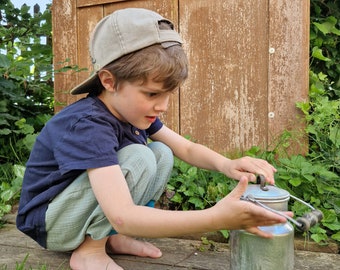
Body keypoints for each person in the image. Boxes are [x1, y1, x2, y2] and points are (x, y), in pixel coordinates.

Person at [17, 8, 290, 270]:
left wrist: (227, 164)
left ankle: (111, 236)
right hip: (51, 221)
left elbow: (186, 147)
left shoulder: (131, 113)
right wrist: (213, 218)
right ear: (109, 81)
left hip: (79, 212)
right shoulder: (89, 124)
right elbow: (121, 212)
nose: (163, 106)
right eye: (152, 94)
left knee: (162, 152)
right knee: (140, 156)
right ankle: (89, 252)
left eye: (168, 95)